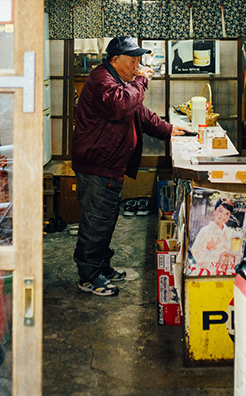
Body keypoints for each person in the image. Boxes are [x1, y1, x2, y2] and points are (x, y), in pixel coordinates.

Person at [71, 36, 188, 296]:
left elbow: (140, 113)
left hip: (109, 165)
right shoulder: (102, 80)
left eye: (139, 61)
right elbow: (122, 105)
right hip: (96, 165)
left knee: (105, 220)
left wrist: (169, 130)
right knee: (96, 222)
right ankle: (89, 277)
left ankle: (101, 268)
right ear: (115, 60)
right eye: (133, 60)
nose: (137, 65)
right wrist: (141, 80)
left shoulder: (118, 81)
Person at [189, 198, 239, 275]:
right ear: (214, 211)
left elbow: (237, 255)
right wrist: (217, 257)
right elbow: (196, 251)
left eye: (227, 214)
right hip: (207, 272)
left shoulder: (231, 233)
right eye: (220, 211)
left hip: (226, 272)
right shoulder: (205, 231)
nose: (223, 216)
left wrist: (229, 257)